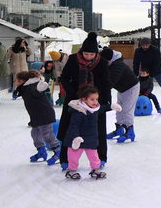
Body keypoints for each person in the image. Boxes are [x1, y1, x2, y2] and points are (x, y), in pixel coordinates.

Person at [57, 32, 112, 171]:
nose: (88, 57)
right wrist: (72, 91)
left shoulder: (102, 62)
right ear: (81, 52)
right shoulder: (73, 59)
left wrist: (106, 102)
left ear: (96, 53)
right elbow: (63, 78)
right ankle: (64, 159)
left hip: (94, 101)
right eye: (86, 54)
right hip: (75, 100)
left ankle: (101, 158)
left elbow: (106, 83)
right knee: (69, 128)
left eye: (91, 55)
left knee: (97, 129)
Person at [62, 84, 112, 180]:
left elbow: (102, 108)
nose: (95, 102)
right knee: (73, 157)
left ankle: (95, 170)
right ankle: (71, 171)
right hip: (77, 140)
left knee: (94, 156)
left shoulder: (94, 109)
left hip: (90, 139)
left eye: (96, 99)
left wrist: (111, 107)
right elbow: (74, 126)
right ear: (84, 100)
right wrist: (76, 138)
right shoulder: (78, 112)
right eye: (92, 99)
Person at [16, 69, 61, 165]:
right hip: (36, 116)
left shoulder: (31, 88)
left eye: (16, 81)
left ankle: (58, 151)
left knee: (47, 135)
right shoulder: (25, 88)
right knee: (35, 134)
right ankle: (41, 151)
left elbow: (36, 92)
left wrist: (40, 88)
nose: (15, 83)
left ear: (21, 81)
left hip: (44, 115)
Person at [104, 47, 140, 143]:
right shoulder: (111, 64)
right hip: (122, 89)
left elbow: (110, 82)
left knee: (127, 111)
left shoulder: (117, 65)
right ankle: (119, 129)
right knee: (119, 109)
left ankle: (130, 131)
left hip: (131, 88)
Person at [132, 37, 161, 108]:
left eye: (146, 45)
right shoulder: (138, 51)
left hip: (158, 70)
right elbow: (136, 63)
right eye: (143, 45)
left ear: (149, 44)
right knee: (143, 85)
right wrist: (136, 74)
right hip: (145, 71)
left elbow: (156, 63)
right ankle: (141, 99)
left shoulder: (155, 50)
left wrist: (151, 74)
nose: (145, 47)